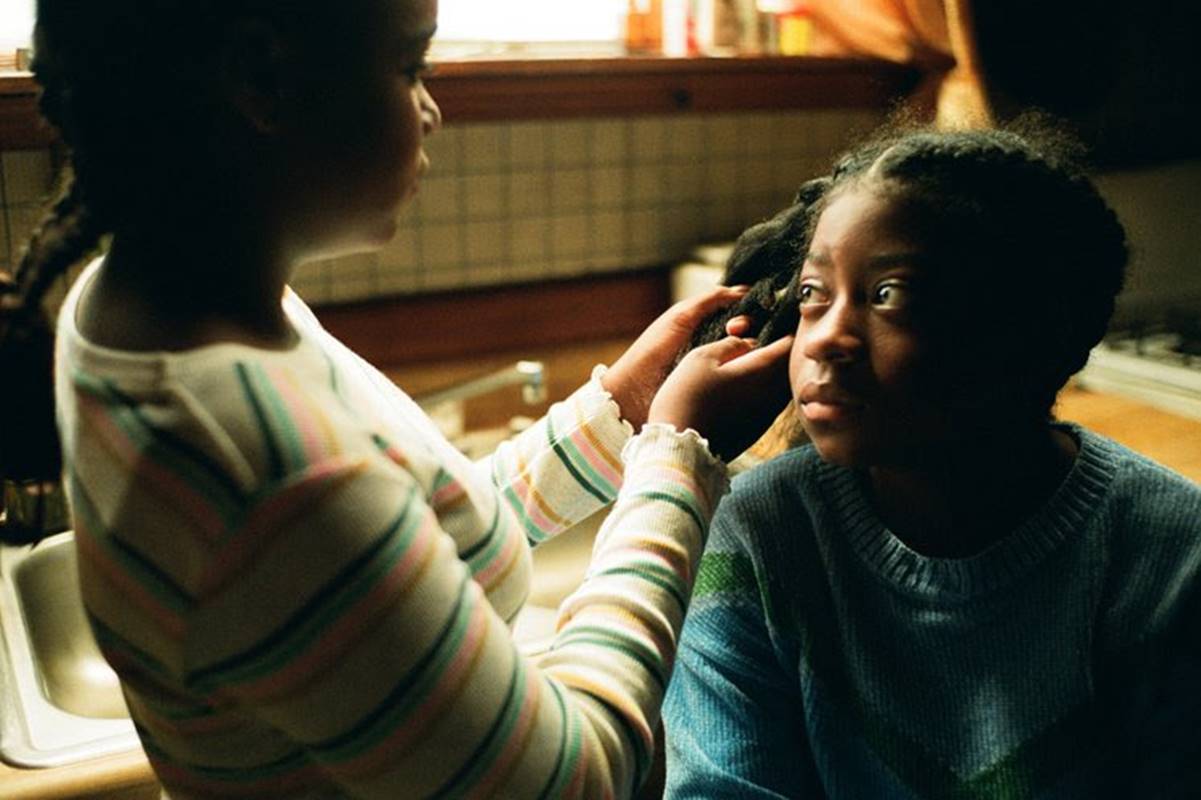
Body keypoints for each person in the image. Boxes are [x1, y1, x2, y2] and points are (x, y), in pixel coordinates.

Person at [0, 1, 796, 797]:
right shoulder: (266, 466)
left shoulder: (159, 308)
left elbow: (414, 535)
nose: (432, 111)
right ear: (262, 81)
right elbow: (574, 781)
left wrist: (617, 412)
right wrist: (675, 461)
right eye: (411, 67)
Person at [662, 118, 1201, 798]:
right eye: (812, 295)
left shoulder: (1172, 558)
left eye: (889, 296)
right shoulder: (762, 535)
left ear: (1029, 333)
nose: (826, 339)